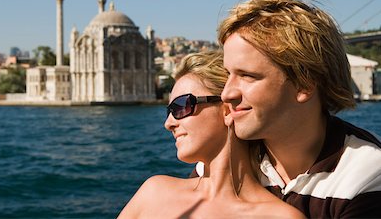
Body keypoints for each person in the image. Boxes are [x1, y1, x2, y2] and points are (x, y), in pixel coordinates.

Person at [217, 0, 381, 217]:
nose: (227, 93)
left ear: (305, 84)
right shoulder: (225, 157)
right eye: (227, 75)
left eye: (247, 76)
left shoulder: (377, 176)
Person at [118, 51, 305, 218]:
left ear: (227, 110)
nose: (169, 123)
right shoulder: (154, 192)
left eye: (182, 106)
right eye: (169, 111)